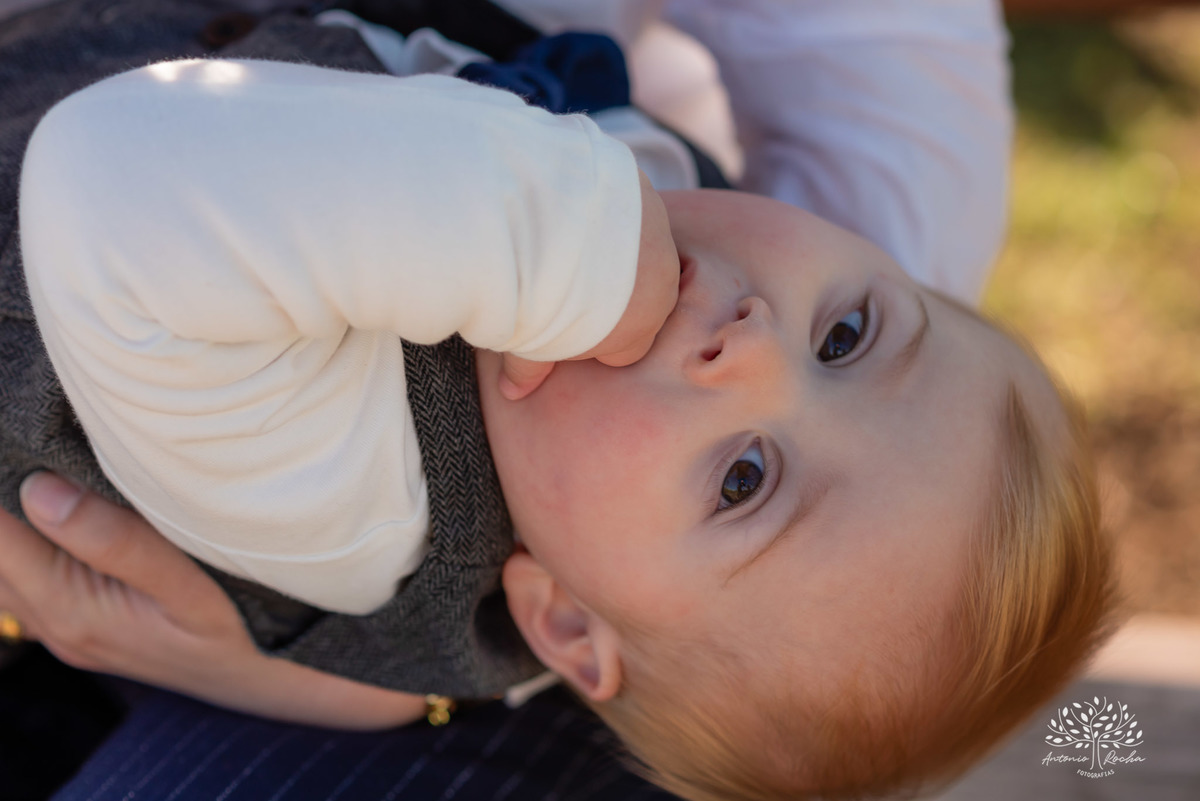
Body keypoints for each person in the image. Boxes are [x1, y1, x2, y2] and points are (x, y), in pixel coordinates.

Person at [1, 1, 1117, 800]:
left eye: (745, 479)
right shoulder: (685, 226)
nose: (755, 345)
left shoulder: (353, 507)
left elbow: (114, 170)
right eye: (847, 333)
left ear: (565, 621)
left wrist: (557, 242)